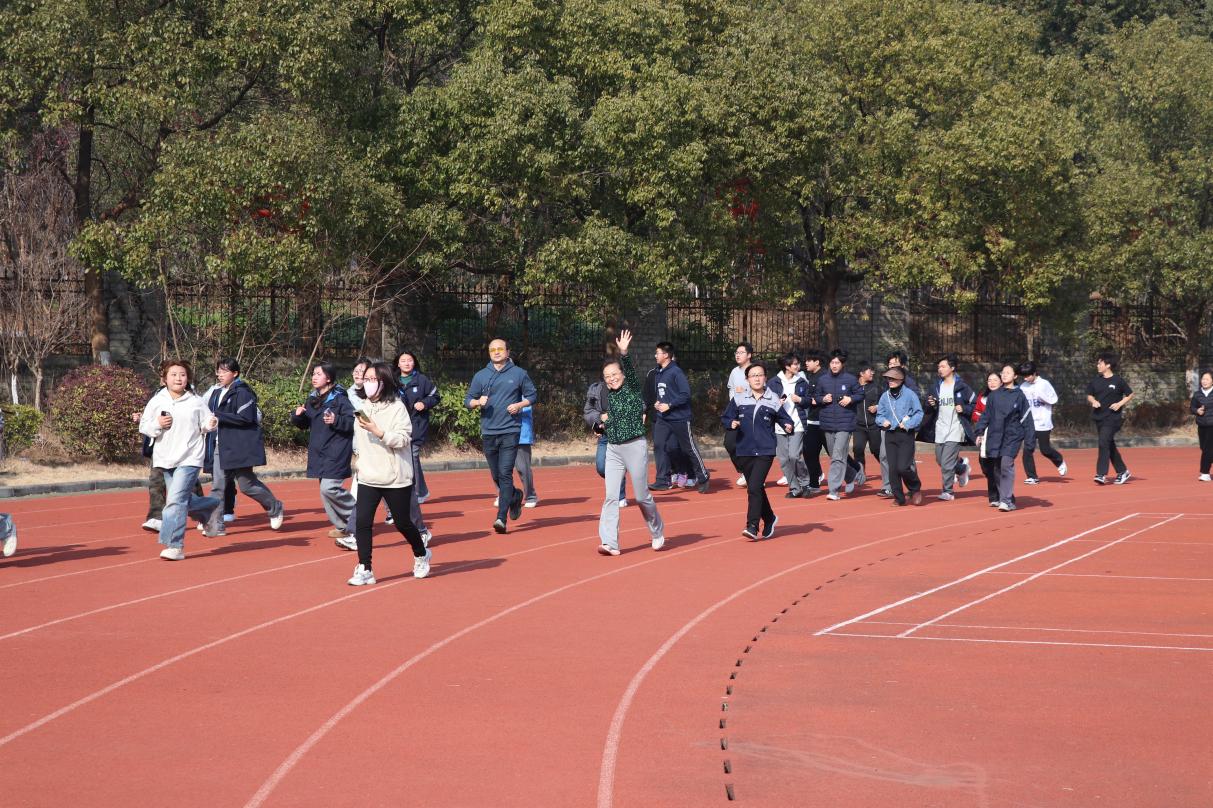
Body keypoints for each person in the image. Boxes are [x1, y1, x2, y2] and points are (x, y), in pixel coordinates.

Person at [347, 360, 432, 585]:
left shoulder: (397, 407)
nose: (368, 383)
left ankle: (421, 554)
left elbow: (403, 439)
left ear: (383, 382)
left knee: (402, 522)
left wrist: (378, 431)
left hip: (394, 477)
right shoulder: (362, 407)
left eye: (372, 379)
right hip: (368, 475)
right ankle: (365, 567)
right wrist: (358, 460)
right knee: (362, 522)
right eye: (366, 379)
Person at [139, 359, 223, 560]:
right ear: (165, 379)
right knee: (181, 500)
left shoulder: (196, 401)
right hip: (165, 458)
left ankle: (174, 545)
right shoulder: (157, 401)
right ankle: (210, 506)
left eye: (183, 375)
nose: (178, 378)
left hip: (190, 458)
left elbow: (206, 423)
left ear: (188, 379)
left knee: (175, 501)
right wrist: (157, 424)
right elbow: (144, 426)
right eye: (174, 374)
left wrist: (211, 423)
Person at [598, 329, 665, 555]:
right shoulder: (610, 396)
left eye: (614, 374)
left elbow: (631, 372)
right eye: (607, 377)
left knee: (641, 496)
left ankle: (657, 531)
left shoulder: (633, 388)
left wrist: (624, 353)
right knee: (611, 496)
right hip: (613, 449)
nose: (612, 378)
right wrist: (602, 426)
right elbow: (614, 419)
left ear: (622, 374)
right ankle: (610, 542)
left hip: (634, 447)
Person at [202, 357, 284, 537]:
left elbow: (247, 418)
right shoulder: (216, 392)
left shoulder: (243, 392)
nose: (219, 374)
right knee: (218, 486)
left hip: (238, 446)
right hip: (220, 445)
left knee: (247, 485)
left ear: (235, 373)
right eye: (218, 371)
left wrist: (220, 416)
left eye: (224, 371)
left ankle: (274, 506)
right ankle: (216, 525)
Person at [466, 338, 538, 533]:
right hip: (489, 431)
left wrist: (519, 405)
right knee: (496, 475)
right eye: (492, 350)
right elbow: (468, 400)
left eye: (500, 349)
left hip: (510, 430)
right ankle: (515, 495)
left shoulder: (519, 373)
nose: (496, 352)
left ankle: (501, 518)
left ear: (507, 352)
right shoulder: (481, 375)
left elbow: (532, 396)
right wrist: (477, 402)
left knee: (505, 473)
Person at [723, 361, 794, 539]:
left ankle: (752, 526)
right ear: (747, 379)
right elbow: (726, 417)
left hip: (765, 450)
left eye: (760, 375)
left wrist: (788, 425)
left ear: (765, 378)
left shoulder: (774, 399)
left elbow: (784, 419)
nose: (757, 378)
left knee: (754, 487)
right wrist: (731, 423)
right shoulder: (738, 398)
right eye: (753, 375)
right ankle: (769, 518)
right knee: (757, 488)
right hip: (744, 450)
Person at [292, 362, 357, 550]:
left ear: (328, 378)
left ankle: (359, 516)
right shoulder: (313, 399)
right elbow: (305, 423)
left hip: (337, 450)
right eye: (313, 374)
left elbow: (353, 422)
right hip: (319, 451)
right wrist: (297, 416)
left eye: (318, 374)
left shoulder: (340, 399)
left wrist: (336, 420)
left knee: (330, 488)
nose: (314, 377)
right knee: (324, 491)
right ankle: (344, 526)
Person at [651, 341, 711, 493]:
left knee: (688, 448)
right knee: (659, 445)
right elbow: (664, 393)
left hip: (680, 418)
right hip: (663, 418)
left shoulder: (676, 372)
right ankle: (662, 480)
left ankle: (703, 476)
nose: (655, 355)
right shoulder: (659, 372)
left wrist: (669, 405)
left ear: (666, 355)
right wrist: (659, 402)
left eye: (657, 353)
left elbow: (685, 394)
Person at [975, 364, 1036, 511]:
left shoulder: (1019, 396)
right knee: (996, 468)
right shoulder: (994, 396)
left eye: (1008, 372)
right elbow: (986, 415)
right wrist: (979, 431)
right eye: (1003, 372)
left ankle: (1006, 501)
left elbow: (1027, 419)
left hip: (1012, 436)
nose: (1004, 374)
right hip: (995, 436)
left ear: (1015, 376)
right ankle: (1007, 498)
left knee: (1006, 464)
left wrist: (1030, 441)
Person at [918, 354, 976, 501]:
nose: (940, 369)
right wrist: (930, 404)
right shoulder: (936, 387)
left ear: (952, 368)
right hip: (940, 428)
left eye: (943, 366)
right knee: (940, 460)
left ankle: (948, 491)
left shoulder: (962, 387)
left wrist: (964, 409)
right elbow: (927, 405)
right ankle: (962, 468)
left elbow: (974, 404)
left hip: (956, 428)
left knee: (946, 463)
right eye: (939, 367)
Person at [395, 350, 438, 542]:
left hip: (416, 426)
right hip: (397, 427)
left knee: (412, 455)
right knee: (406, 459)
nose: (406, 363)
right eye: (403, 360)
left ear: (414, 363)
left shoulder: (422, 380)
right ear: (398, 363)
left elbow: (435, 396)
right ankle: (421, 490)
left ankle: (416, 491)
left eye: (409, 360)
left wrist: (424, 403)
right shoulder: (393, 380)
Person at [814, 349, 861, 500]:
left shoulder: (851, 379)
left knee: (838, 456)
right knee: (834, 455)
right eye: (832, 362)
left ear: (842, 364)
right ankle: (851, 474)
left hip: (845, 424)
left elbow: (860, 394)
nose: (834, 365)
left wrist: (850, 399)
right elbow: (816, 396)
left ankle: (833, 490)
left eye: (837, 363)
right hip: (827, 423)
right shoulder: (822, 380)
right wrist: (823, 399)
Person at [875, 366, 924, 506]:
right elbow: (879, 415)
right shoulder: (885, 396)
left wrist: (908, 424)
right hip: (890, 434)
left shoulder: (910, 395)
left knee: (903, 467)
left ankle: (915, 488)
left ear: (901, 379)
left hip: (905, 434)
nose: (890, 381)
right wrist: (882, 421)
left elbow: (919, 413)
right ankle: (899, 498)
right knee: (892, 468)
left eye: (893, 378)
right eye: (888, 378)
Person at [768, 352, 812, 498]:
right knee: (784, 459)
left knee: (794, 456)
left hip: (797, 424)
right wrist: (776, 404)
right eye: (795, 364)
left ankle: (805, 483)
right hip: (779, 425)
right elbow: (766, 402)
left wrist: (800, 400)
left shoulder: (802, 382)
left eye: (798, 364)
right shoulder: (773, 382)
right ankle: (795, 488)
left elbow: (809, 401)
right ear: (787, 366)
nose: (798, 366)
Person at [1086, 353, 1133, 485]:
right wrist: (1093, 401)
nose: (1097, 365)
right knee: (1108, 444)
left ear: (1108, 365)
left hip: (1113, 418)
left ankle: (1101, 474)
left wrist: (1119, 404)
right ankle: (1123, 471)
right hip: (1099, 417)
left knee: (1103, 442)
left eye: (1100, 363)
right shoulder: (1095, 381)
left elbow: (1130, 394)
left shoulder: (1118, 381)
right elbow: (1089, 395)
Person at [1017, 361, 1067, 484]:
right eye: (1024, 376)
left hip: (1043, 422)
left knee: (1045, 450)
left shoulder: (1044, 384)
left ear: (1034, 373)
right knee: (1027, 450)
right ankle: (1032, 477)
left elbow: (1054, 399)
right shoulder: (1023, 386)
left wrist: (1041, 395)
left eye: (1028, 375)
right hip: (1029, 423)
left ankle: (1059, 460)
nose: (1026, 378)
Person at [584, 375, 628, 506]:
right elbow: (589, 412)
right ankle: (620, 478)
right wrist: (597, 424)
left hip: (622, 435)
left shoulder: (626, 388)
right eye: (608, 374)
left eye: (614, 374)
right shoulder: (595, 389)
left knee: (617, 465)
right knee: (601, 467)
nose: (611, 377)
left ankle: (620, 496)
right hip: (604, 435)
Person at [973, 372, 1004, 506]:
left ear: (1001, 382)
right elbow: (975, 413)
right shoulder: (983, 397)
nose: (992, 383)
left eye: (995, 380)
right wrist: (982, 421)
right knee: (985, 465)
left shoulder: (1006, 397)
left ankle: (998, 497)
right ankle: (996, 493)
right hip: (984, 434)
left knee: (996, 466)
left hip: (999, 435)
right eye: (989, 380)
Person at [726, 342, 754, 487]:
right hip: (735, 412)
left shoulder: (755, 371)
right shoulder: (734, 372)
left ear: (749, 355)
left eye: (741, 352)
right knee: (729, 443)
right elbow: (731, 390)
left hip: (750, 412)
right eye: (736, 352)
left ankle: (754, 475)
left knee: (749, 444)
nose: (737, 355)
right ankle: (745, 471)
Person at [798, 349, 826, 492]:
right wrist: (808, 400)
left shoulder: (825, 377)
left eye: (809, 361)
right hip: (812, 421)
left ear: (817, 362)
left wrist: (812, 400)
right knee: (809, 452)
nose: (806, 363)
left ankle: (854, 471)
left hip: (825, 422)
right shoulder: (811, 376)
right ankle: (814, 483)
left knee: (835, 453)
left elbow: (826, 398)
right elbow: (810, 399)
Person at [852, 360, 883, 475]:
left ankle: (889, 470)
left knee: (876, 450)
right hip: (858, 426)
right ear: (861, 373)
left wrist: (877, 407)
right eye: (870, 371)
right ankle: (860, 474)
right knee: (858, 449)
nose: (872, 373)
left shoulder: (876, 388)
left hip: (874, 425)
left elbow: (885, 403)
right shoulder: (853, 388)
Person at [1191, 370, 1213, 481]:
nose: (1204, 381)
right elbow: (1192, 408)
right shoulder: (1197, 394)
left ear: (1212, 381)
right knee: (1203, 448)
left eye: (1207, 379)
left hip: (1212, 425)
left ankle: (1205, 473)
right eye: (1203, 379)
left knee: (1207, 449)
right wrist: (1197, 411)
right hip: (1202, 425)